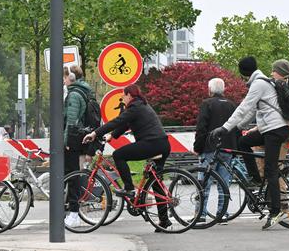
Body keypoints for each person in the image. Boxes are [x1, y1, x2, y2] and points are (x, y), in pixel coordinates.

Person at [210, 56, 289, 229]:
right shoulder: (261, 82)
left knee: (271, 170)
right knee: (243, 142)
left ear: (243, 73)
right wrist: (237, 127)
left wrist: (224, 128)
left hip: (275, 130)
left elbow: (244, 107)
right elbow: (252, 110)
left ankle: (277, 211)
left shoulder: (259, 84)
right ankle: (255, 178)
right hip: (270, 129)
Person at [82, 84, 173, 231]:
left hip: (152, 144)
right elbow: (124, 124)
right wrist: (112, 135)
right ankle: (164, 221)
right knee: (155, 181)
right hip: (162, 145)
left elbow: (117, 121)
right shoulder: (140, 106)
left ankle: (129, 188)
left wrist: (95, 134)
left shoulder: (135, 107)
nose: (122, 98)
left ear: (129, 95)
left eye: (123, 95)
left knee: (118, 155)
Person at [194, 76, 236, 220]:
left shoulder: (207, 104)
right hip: (228, 149)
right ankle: (222, 213)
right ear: (223, 89)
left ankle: (200, 214)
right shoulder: (231, 105)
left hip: (210, 148)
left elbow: (201, 128)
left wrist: (198, 147)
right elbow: (236, 127)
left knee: (204, 182)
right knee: (223, 183)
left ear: (210, 89)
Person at [63, 65, 95, 229]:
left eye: (64, 77)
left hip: (73, 141)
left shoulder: (74, 94)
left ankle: (74, 213)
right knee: (70, 174)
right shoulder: (85, 90)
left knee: (72, 176)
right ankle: (67, 211)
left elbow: (71, 121)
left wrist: (66, 142)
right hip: (80, 139)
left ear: (71, 78)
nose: (63, 80)